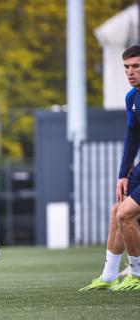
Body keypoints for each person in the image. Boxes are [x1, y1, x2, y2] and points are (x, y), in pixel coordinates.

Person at [79, 45, 140, 291]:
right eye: (126, 67)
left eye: (136, 66)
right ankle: (108, 276)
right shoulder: (132, 97)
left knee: (126, 214)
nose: (130, 72)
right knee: (118, 210)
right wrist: (122, 174)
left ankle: (137, 274)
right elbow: (132, 137)